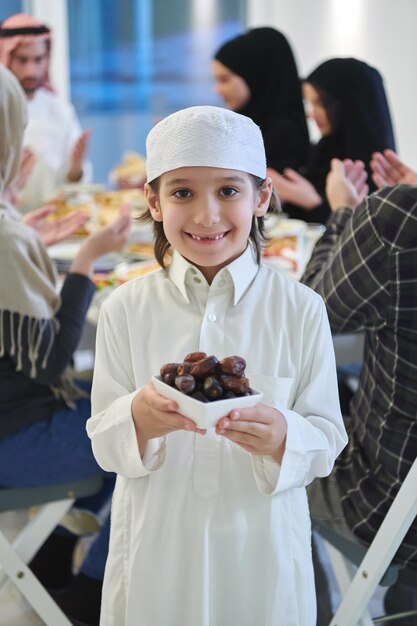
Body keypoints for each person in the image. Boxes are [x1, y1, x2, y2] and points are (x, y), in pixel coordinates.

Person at [86, 105, 347, 625]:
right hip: (158, 548)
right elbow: (102, 441)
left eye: (228, 190)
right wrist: (138, 418)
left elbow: (327, 438)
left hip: (261, 552)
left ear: (261, 198)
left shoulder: (299, 309)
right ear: (154, 201)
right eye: (183, 192)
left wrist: (282, 436)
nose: (206, 215)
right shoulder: (125, 309)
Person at [0, 64, 131, 626]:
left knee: (117, 413)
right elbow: (52, 357)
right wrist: (84, 261)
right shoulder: (4, 240)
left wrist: (26, 235)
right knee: (145, 445)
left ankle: (51, 551)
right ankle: (89, 593)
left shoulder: (9, 234)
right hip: (13, 438)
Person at [301, 158, 417, 624]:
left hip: (388, 504)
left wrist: (345, 213)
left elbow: (306, 318)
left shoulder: (399, 219)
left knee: (268, 453)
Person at [270, 57, 396, 223]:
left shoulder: (379, 167)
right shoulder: (322, 149)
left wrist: (311, 202)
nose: (310, 114)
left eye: (321, 103)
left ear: (349, 105)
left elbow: (362, 235)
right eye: (310, 103)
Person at [0, 13, 92, 211]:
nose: (31, 71)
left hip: (52, 222)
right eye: (22, 60)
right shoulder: (3, 109)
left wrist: (75, 170)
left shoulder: (60, 110)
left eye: (38, 59)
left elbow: (73, 186)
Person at [212, 27, 310, 176]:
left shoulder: (284, 133)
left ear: (255, 76)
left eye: (224, 79)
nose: (217, 90)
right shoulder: (241, 126)